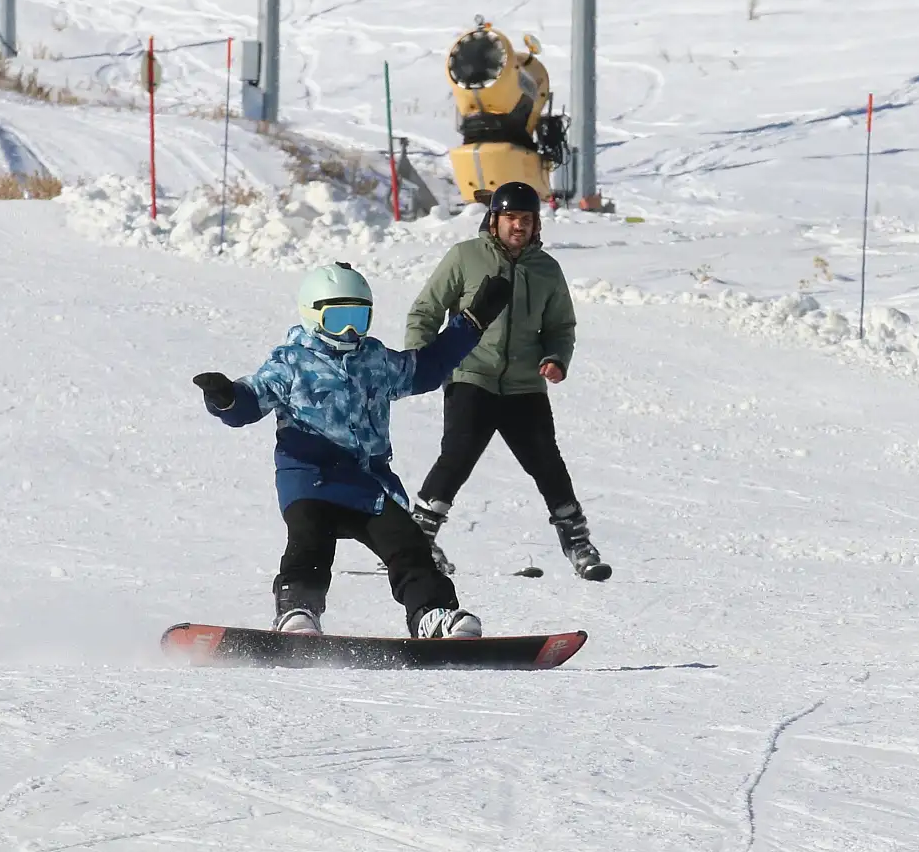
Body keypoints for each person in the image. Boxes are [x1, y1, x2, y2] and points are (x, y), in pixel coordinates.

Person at [192, 261, 512, 639]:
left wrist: (473, 321)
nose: (349, 331)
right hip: (311, 478)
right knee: (309, 540)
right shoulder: (291, 363)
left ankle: (432, 613)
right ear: (313, 316)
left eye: (359, 319)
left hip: (367, 483)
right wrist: (227, 398)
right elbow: (251, 399)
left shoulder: (374, 359)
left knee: (408, 544)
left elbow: (427, 369)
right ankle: (297, 611)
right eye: (338, 318)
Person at [404, 181, 609, 580]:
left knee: (546, 462)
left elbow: (561, 326)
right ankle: (417, 542)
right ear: (494, 219)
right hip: (470, 373)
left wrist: (556, 358)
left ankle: (578, 542)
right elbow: (426, 311)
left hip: (524, 384)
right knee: (458, 455)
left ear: (536, 225)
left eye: (527, 219)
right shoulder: (465, 257)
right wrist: (420, 361)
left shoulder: (547, 270)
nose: (519, 226)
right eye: (511, 217)